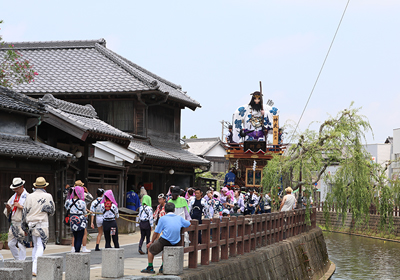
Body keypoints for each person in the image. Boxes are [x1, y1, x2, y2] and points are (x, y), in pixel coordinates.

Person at [141, 203, 191, 274]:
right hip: (176, 241)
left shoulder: (162, 218)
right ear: (174, 210)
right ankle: (163, 266)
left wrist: (151, 242)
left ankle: (150, 267)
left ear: (165, 210)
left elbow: (156, 232)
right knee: (165, 249)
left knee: (150, 249)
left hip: (165, 240)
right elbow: (189, 224)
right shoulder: (179, 218)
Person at [22, 177, 55, 277]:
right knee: (40, 245)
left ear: (35, 186)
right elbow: (52, 211)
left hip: (31, 223)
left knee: (35, 245)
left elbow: (24, 211)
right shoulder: (48, 196)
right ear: (45, 186)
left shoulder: (30, 196)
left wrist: (24, 226)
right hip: (42, 223)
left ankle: (33, 267)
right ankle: (35, 268)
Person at [3, 177, 29, 260]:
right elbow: (8, 211)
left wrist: (21, 207)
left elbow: (31, 210)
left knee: (21, 244)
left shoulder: (28, 196)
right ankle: (18, 259)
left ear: (22, 186)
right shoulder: (13, 197)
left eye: (17, 189)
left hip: (21, 223)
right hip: (13, 223)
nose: (16, 191)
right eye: (14, 190)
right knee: (10, 243)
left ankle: (22, 261)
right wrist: (8, 209)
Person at [65, 185, 87, 253]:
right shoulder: (82, 202)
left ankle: (75, 249)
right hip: (80, 219)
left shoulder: (69, 201)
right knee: (80, 236)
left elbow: (66, 207)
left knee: (75, 235)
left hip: (72, 218)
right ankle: (77, 250)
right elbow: (85, 212)